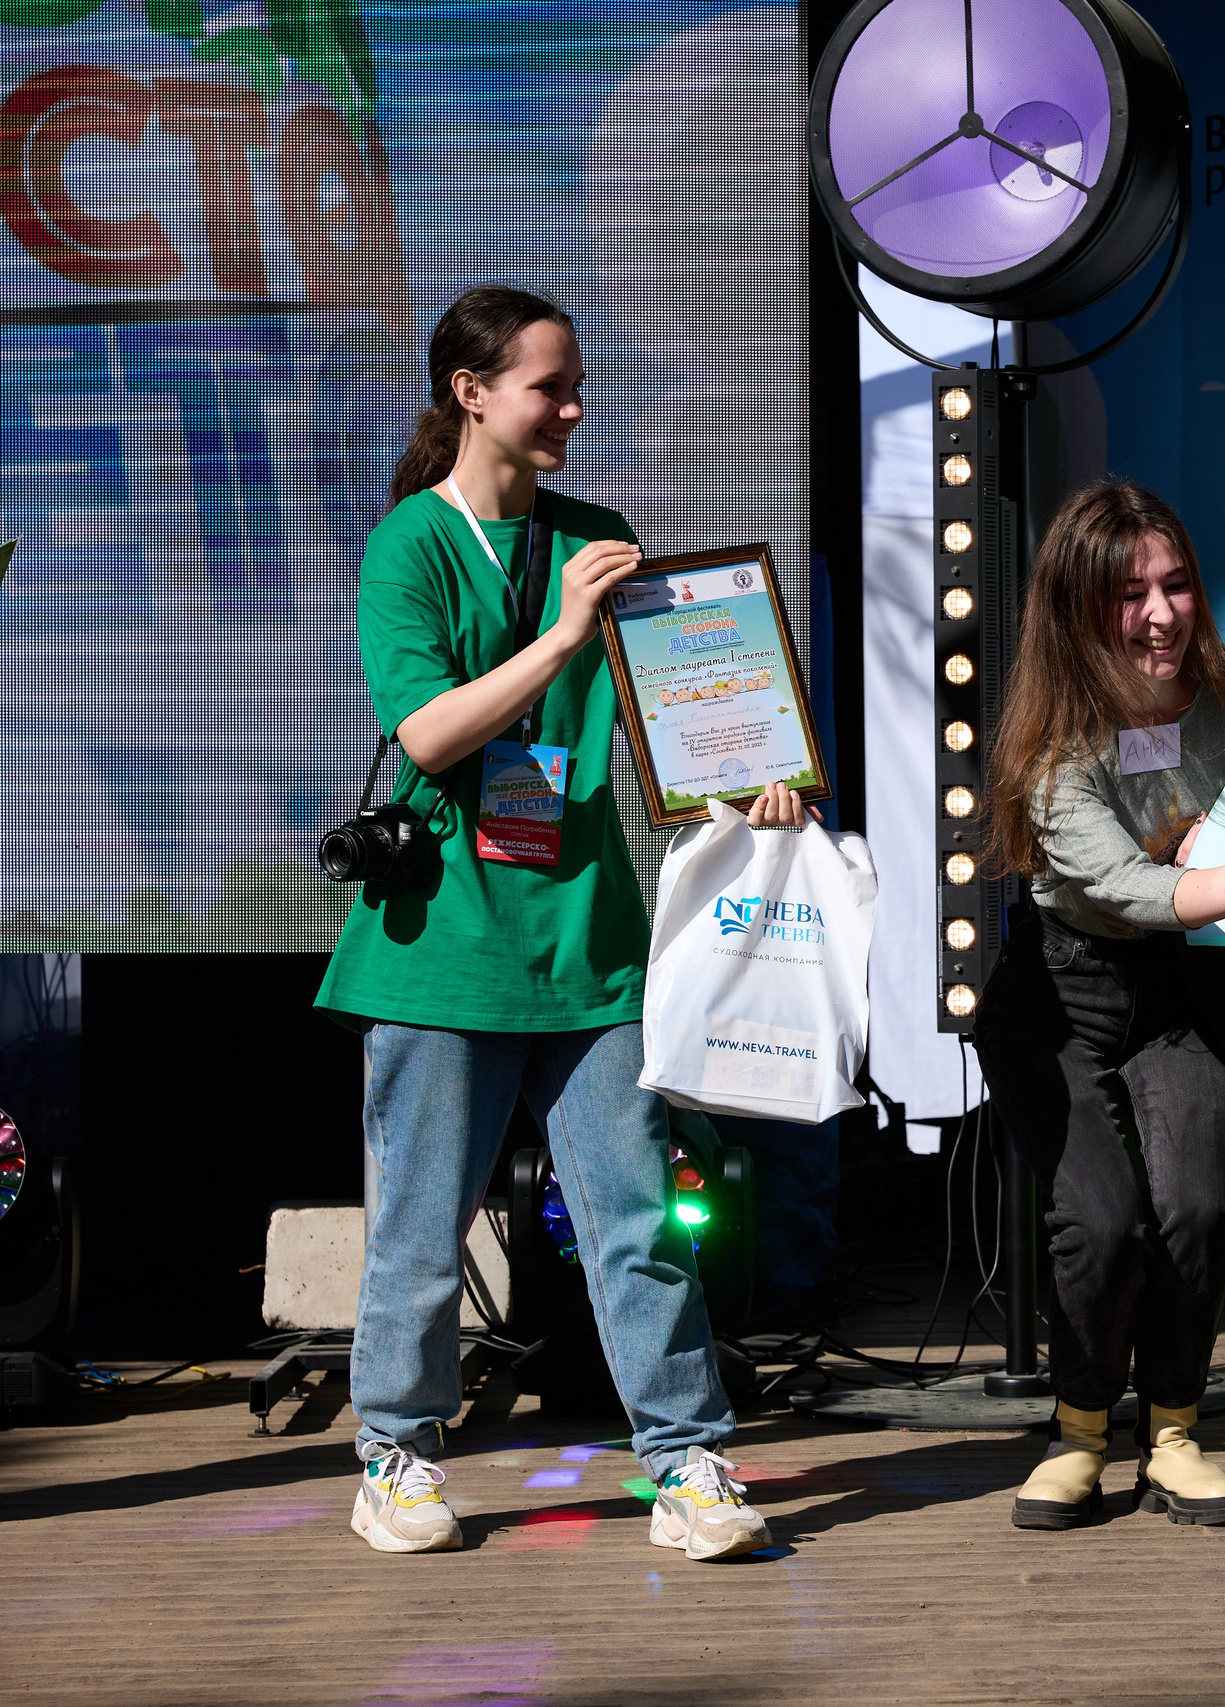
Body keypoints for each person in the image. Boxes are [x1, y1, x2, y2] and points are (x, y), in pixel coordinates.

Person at [316, 284, 805, 1559]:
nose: (575, 408)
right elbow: (427, 732)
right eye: (551, 386)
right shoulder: (408, 549)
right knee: (423, 1235)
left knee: (638, 1223)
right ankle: (397, 1456)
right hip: (445, 952)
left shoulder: (601, 533)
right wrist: (563, 631)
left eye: (578, 383)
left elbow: (679, 717)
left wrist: (751, 775)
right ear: (472, 394)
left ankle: (688, 1462)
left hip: (591, 944)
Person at [974, 479, 1225, 1531]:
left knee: (1202, 1207)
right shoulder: (1050, 747)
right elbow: (1125, 885)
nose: (1162, 613)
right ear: (1079, 608)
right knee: (1102, 1224)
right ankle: (1079, 1434)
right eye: (1130, 594)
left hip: (1177, 990)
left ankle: (1172, 1432)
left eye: (1176, 584)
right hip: (1058, 1000)